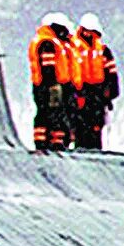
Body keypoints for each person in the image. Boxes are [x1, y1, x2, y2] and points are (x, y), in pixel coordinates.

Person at [27, 11, 76, 151]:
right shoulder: (47, 43)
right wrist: (53, 84)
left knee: (54, 112)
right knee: (49, 112)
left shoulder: (51, 42)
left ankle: (54, 141)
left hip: (49, 84)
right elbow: (48, 66)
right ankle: (46, 142)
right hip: (48, 85)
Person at [72, 14, 120, 149]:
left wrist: (110, 93)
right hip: (80, 93)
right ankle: (81, 148)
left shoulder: (103, 51)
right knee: (81, 127)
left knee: (95, 127)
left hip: (97, 93)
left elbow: (111, 73)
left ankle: (94, 149)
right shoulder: (73, 48)